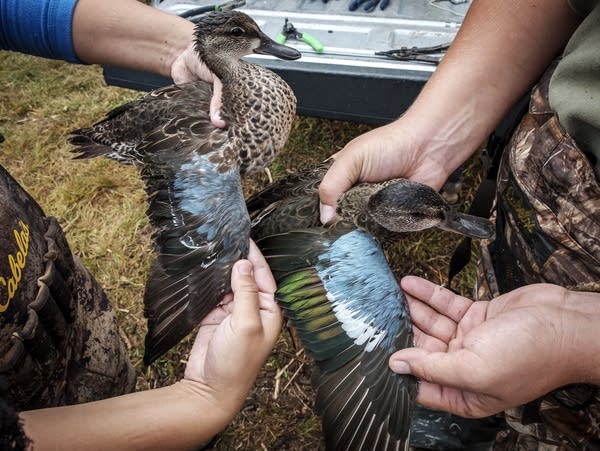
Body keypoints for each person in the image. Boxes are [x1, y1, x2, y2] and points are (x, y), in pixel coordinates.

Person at [319, 0, 600, 449]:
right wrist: (431, 135)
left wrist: (578, 342)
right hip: (559, 156)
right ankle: (492, 405)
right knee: (500, 294)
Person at [1, 0, 281, 449]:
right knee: (220, 242)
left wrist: (182, 52)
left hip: (41, 268)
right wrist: (203, 399)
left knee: (100, 369)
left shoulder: (225, 88)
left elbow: (20, 9)